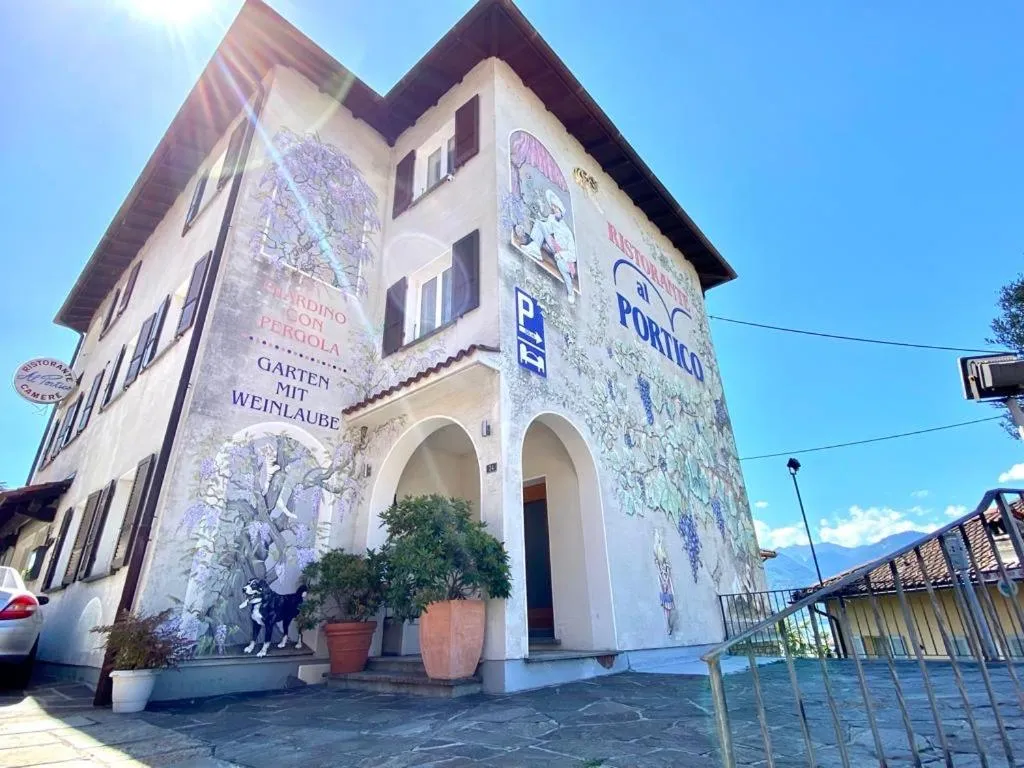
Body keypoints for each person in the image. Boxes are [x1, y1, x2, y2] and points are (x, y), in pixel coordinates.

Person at [538, 189, 577, 303]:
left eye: (557, 209)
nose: (555, 211)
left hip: (565, 259)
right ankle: (533, 248)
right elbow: (546, 226)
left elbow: (573, 255)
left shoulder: (567, 232)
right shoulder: (552, 220)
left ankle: (570, 292)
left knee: (561, 264)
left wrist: (561, 254)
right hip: (553, 248)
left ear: (561, 211)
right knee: (540, 225)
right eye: (553, 209)